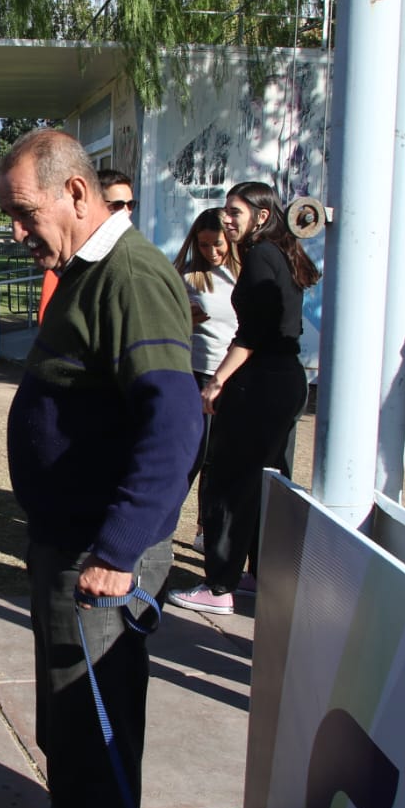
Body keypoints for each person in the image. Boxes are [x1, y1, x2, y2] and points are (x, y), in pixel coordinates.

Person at [0, 129, 202, 808]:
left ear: (76, 194)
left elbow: (176, 424)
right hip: (71, 541)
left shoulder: (130, 276)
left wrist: (118, 547)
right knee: (72, 717)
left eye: (24, 213)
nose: (17, 233)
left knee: (95, 724)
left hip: (102, 554)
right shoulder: (87, 270)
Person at [169, 182, 320, 616]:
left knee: (229, 484)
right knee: (265, 482)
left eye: (235, 212)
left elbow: (252, 334)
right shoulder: (284, 254)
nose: (228, 219)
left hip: (261, 381)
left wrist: (217, 380)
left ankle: (219, 587)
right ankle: (253, 574)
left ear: (263, 215)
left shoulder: (259, 256)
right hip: (287, 380)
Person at [172, 207, 240, 557]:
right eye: (203, 244)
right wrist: (185, 319)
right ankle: (162, 521)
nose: (211, 252)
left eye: (217, 244)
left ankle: (204, 529)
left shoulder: (242, 275)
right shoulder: (185, 276)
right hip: (197, 372)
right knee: (191, 456)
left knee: (220, 461)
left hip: (232, 376)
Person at [37, 168, 136, 323]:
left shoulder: (133, 254)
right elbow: (47, 318)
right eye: (117, 205)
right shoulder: (73, 255)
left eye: (130, 205)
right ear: (94, 204)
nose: (126, 211)